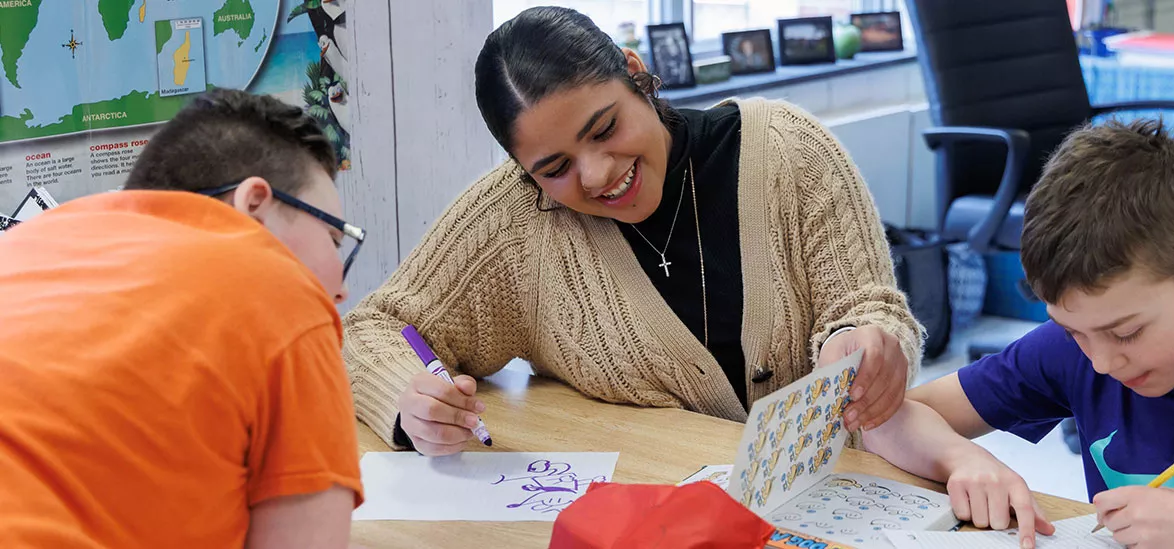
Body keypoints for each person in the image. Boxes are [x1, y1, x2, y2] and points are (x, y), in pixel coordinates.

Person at [343, 6, 922, 457]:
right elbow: (372, 329)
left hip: (832, 501)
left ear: (636, 73)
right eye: (555, 168)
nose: (595, 175)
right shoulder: (519, 220)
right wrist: (408, 396)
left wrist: (869, 339)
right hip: (650, 515)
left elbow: (868, 304)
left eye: (605, 128)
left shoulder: (789, 152)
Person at [862, 119, 1174, 549]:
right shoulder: (1073, 350)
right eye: (1074, 331)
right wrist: (961, 458)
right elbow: (882, 419)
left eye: (1127, 332)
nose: (1101, 362)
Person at [0, 89, 364, 548]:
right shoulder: (279, 292)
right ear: (254, 204)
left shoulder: (25, 248)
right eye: (333, 240)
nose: (341, 287)